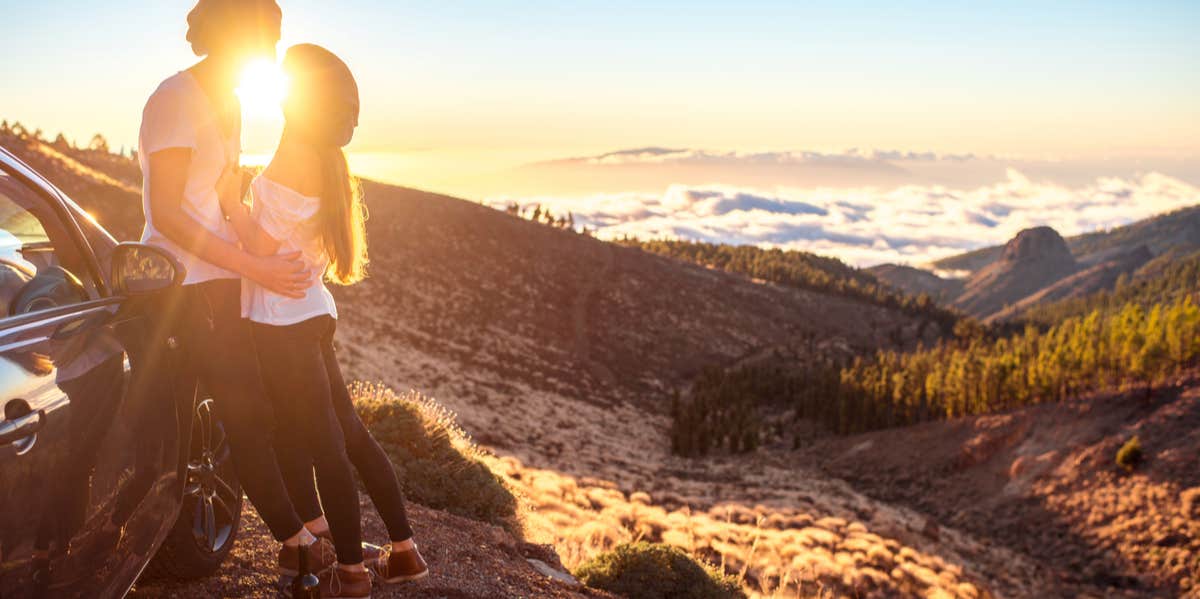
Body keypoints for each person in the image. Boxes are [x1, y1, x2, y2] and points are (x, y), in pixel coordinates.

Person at [218, 44, 429, 598]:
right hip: (312, 314)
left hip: (282, 324)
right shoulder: (326, 159)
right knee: (350, 437)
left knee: (321, 446)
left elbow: (261, 247)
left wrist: (232, 202)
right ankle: (404, 552)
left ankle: (353, 573)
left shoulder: (293, 155)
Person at [138, 0, 337, 579]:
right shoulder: (175, 98)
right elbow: (167, 213)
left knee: (256, 412)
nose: (269, 54)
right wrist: (254, 265)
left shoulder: (227, 100)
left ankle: (309, 530)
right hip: (186, 287)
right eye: (263, 42)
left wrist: (264, 250)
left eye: (273, 43)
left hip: (222, 281)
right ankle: (297, 542)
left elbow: (219, 197)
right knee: (245, 414)